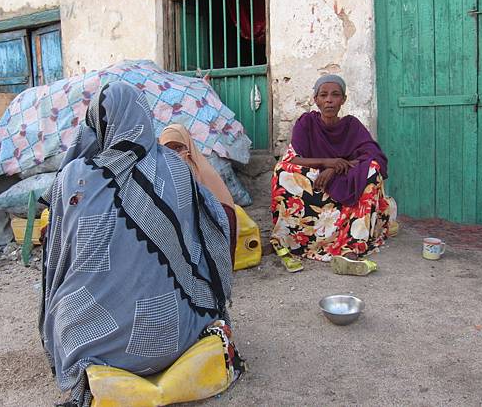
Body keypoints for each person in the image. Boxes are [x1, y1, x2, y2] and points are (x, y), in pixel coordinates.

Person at [39, 82, 243, 406]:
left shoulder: (74, 175)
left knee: (64, 290)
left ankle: (95, 366)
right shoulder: (176, 167)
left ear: (97, 125)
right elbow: (214, 222)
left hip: (97, 347)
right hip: (181, 336)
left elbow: (57, 257)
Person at [270, 74, 395, 274]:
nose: (329, 99)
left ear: (343, 100)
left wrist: (334, 168)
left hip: (345, 176)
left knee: (372, 170)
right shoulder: (306, 122)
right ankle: (292, 238)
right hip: (315, 180)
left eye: (335, 95)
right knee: (283, 172)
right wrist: (327, 163)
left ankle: (352, 245)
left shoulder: (352, 125)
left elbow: (374, 155)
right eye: (324, 95)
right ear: (316, 100)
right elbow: (293, 159)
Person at [159, 124, 237, 264]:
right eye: (169, 149)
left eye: (178, 148)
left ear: (188, 146)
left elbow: (224, 214)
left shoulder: (203, 172)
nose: (175, 154)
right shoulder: (162, 177)